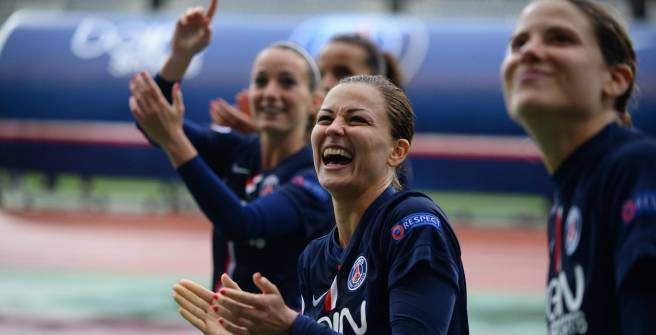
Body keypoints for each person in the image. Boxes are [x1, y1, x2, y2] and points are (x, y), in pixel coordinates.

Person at [173, 75, 469, 335]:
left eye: (357, 120)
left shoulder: (413, 226)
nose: (334, 128)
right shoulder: (315, 257)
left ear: (397, 151)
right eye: (325, 119)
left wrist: (292, 326)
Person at [128, 0, 333, 310]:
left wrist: (173, 140)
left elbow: (243, 224)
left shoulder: (316, 175)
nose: (270, 92)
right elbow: (152, 122)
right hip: (223, 325)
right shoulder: (239, 150)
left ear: (314, 102)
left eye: (287, 82)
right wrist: (180, 56)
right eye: (261, 81)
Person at [501, 0, 656, 333]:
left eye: (560, 38)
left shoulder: (639, 169)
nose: (530, 52)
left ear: (616, 80)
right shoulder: (567, 203)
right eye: (519, 43)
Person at [211, 33, 413, 187]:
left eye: (342, 72)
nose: (326, 83)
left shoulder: (386, 160)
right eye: (320, 72)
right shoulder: (292, 138)